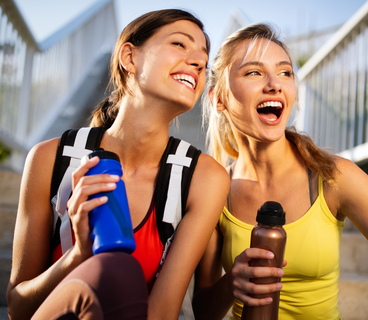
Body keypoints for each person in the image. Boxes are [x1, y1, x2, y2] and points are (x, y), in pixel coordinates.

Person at [192, 23, 368, 320]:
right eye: (254, 72)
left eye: (285, 72)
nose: (275, 84)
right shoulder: (217, 187)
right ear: (218, 98)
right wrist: (232, 284)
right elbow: (202, 311)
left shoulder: (332, 177)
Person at [6, 9, 229, 320]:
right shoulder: (50, 159)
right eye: (180, 44)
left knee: (120, 270)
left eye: (204, 59)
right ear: (129, 57)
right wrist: (78, 255)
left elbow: (162, 312)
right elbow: (18, 307)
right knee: (118, 267)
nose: (198, 61)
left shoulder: (203, 177)